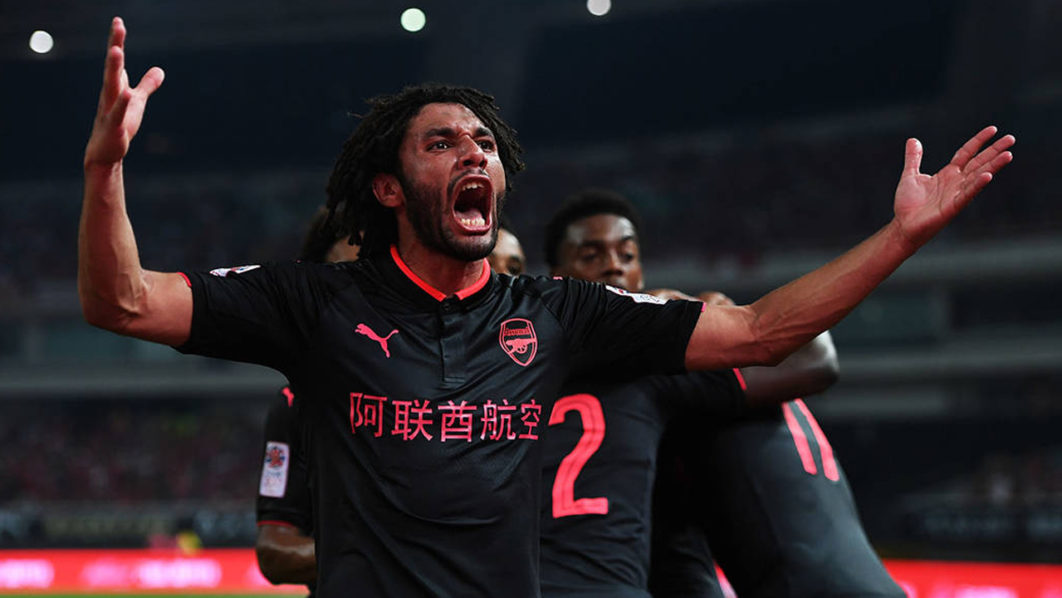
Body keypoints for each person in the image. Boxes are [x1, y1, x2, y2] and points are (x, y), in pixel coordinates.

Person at [79, 17, 1012, 597]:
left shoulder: (561, 313)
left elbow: (765, 333)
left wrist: (899, 238)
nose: (474, 154)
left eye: (485, 142)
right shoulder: (315, 303)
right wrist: (106, 170)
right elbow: (121, 302)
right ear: (389, 188)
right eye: (442, 143)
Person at [538, 189, 860, 597]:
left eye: (627, 254)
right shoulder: (641, 369)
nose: (614, 267)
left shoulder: (640, 363)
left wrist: (690, 320)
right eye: (591, 256)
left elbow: (814, 358)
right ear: (557, 278)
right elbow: (815, 358)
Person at [254, 208, 359, 594]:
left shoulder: (457, 384)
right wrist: (376, 556)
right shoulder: (296, 404)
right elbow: (274, 550)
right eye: (344, 279)